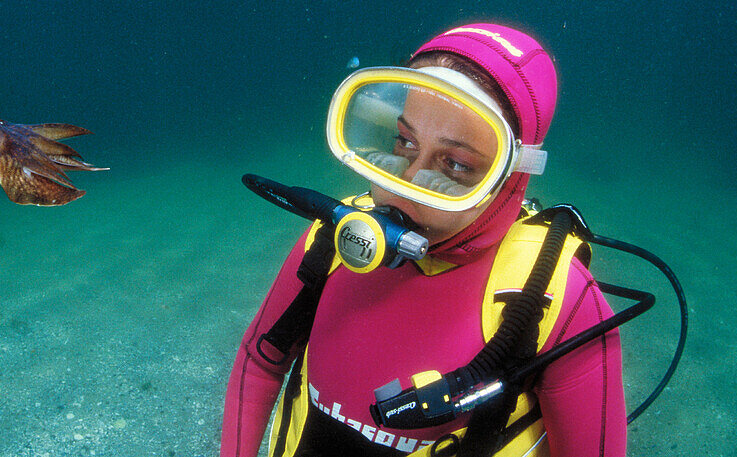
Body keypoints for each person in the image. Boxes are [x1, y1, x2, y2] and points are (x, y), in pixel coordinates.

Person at [220, 23, 626, 457]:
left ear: (514, 174)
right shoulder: (330, 241)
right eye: (404, 141)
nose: (405, 184)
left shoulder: (560, 300)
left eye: (455, 164)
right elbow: (260, 364)